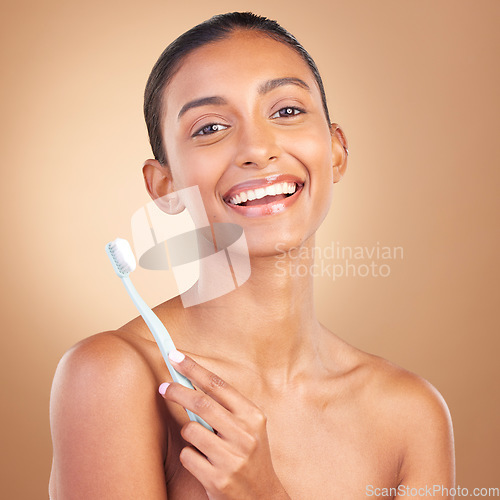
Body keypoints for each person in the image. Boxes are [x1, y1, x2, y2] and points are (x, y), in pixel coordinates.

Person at [49, 12, 455, 499]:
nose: (258, 149)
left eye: (286, 111)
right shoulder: (114, 377)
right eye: (211, 127)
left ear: (337, 151)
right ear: (165, 188)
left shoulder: (411, 414)